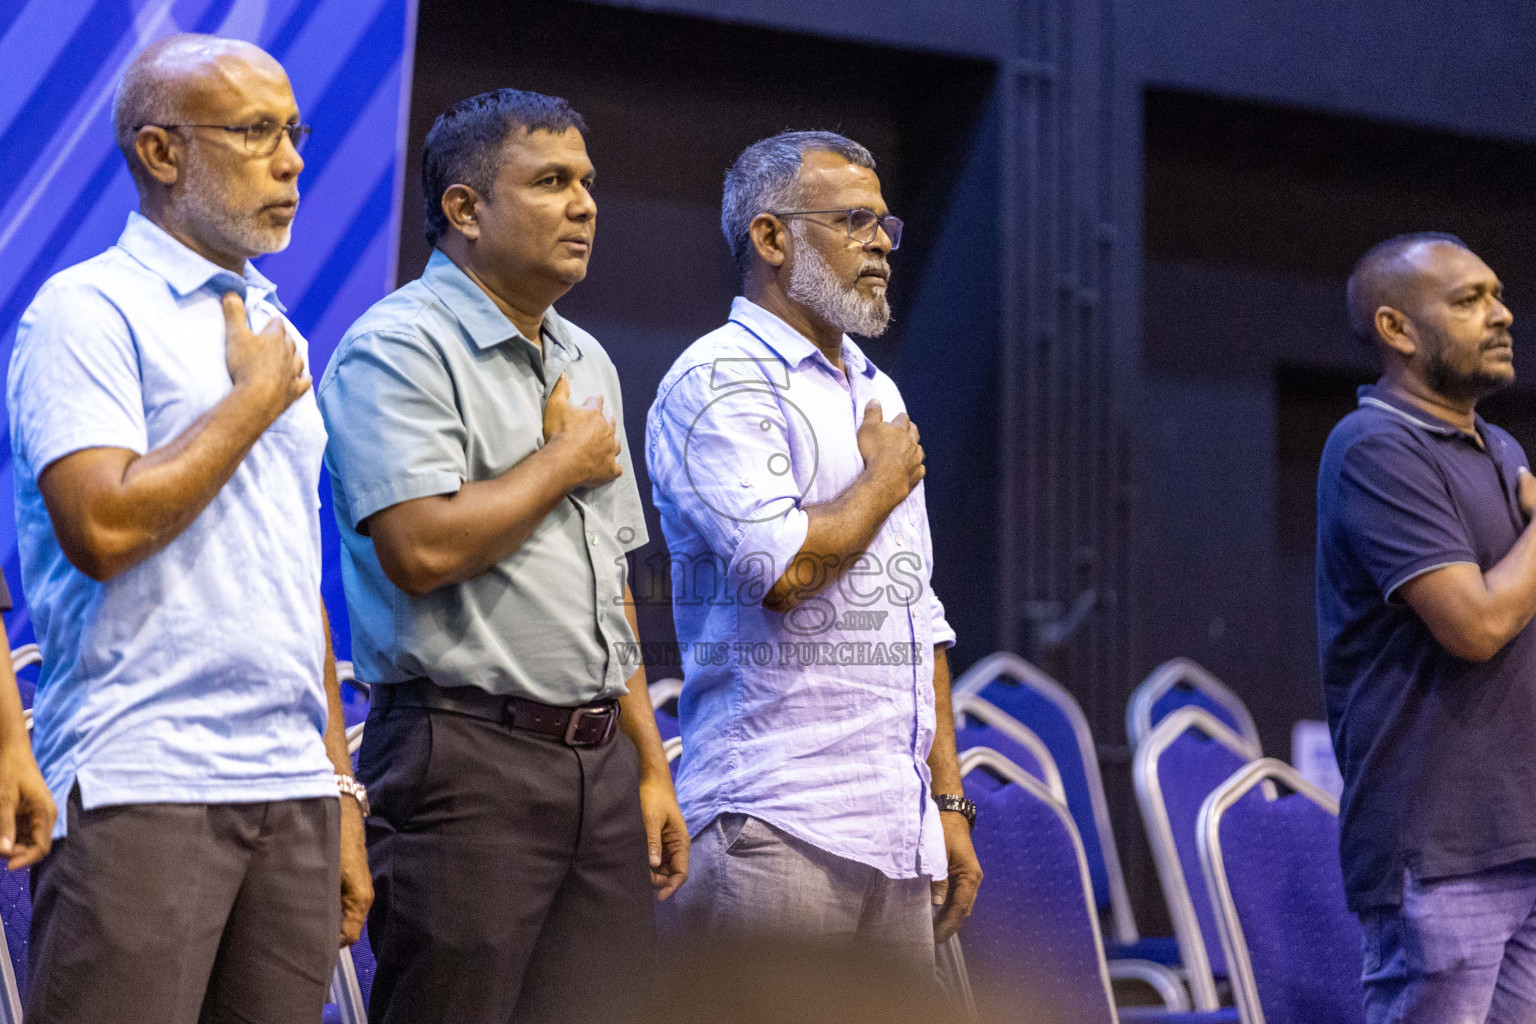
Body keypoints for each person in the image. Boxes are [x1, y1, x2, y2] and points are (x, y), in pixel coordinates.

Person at [6, 34, 371, 1024]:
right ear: (162, 153)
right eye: (256, 131)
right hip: (144, 777)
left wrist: (338, 788)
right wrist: (250, 405)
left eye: (294, 132)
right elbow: (103, 523)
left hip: (291, 789)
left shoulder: (276, 329)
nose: (292, 159)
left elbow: (297, 581)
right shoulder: (84, 312)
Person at [318, 88, 687, 1024]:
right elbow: (421, 547)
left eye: (588, 184)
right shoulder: (397, 345)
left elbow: (612, 585)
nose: (586, 205)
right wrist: (561, 460)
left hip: (598, 762)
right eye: (552, 182)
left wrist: (648, 763)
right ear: (466, 208)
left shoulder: (587, 358)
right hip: (465, 757)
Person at [645, 130, 981, 970]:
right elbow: (783, 571)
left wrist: (947, 802)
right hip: (774, 822)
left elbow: (918, 615)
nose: (880, 244)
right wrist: (880, 480)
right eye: (854, 221)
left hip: (896, 835)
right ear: (771, 238)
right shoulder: (715, 379)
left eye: (885, 225)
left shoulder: (877, 387)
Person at [1318, 232, 1536, 1022]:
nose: (1501, 313)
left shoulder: (1499, 447)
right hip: (1439, 852)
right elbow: (1475, 627)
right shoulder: (1376, 447)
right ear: (1396, 329)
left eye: (1499, 294)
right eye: (1469, 299)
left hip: (1520, 835)